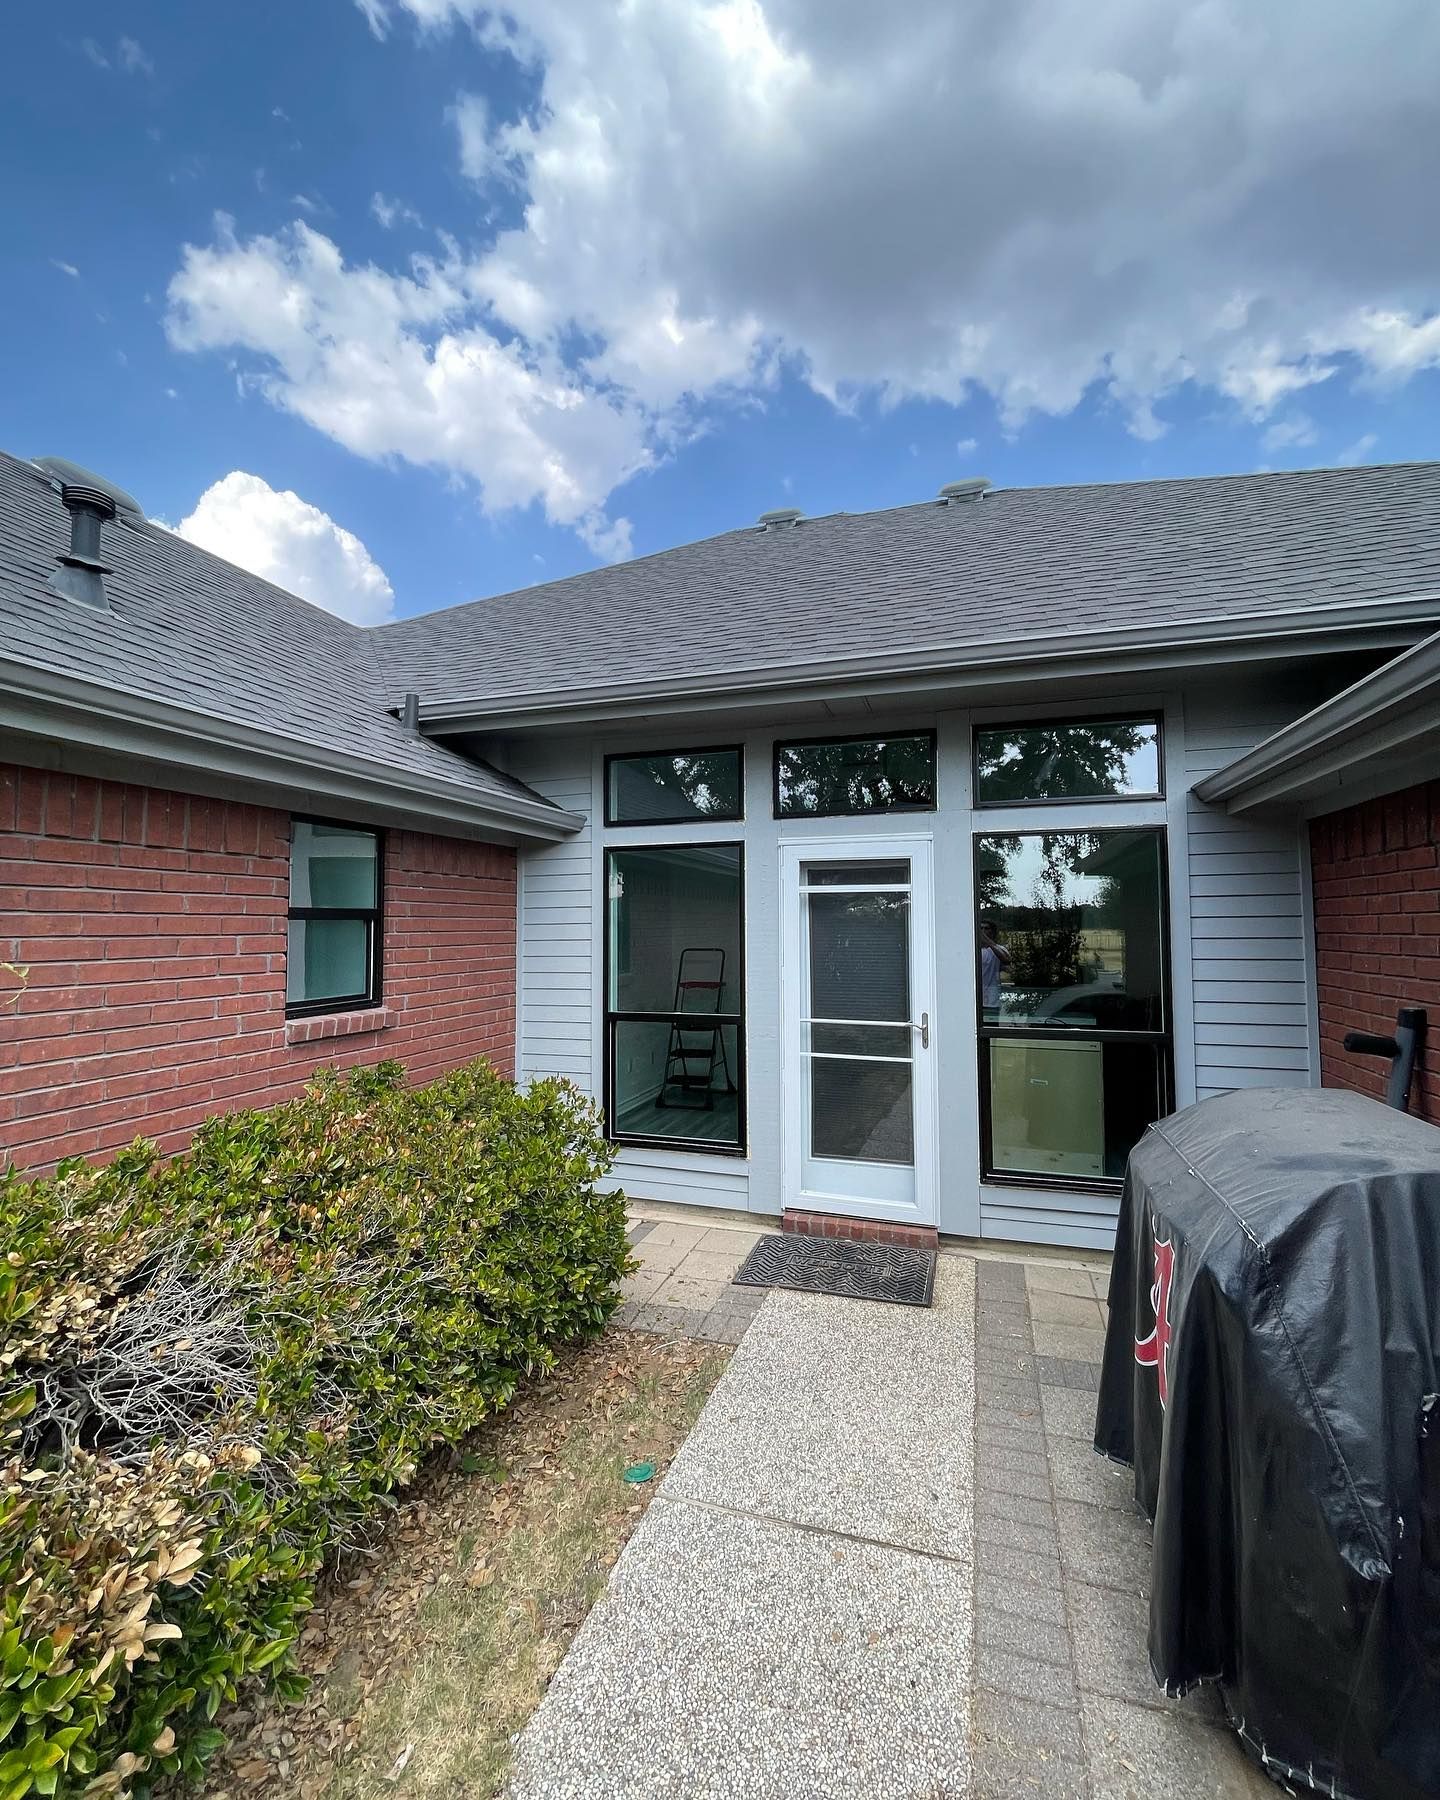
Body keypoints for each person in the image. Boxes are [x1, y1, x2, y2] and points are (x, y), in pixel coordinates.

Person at [978, 918, 1011, 1013]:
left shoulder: (998, 949)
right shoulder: (972, 951)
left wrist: (986, 940)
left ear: (992, 932)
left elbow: (1007, 960)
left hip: (991, 1001)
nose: (982, 931)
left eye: (986, 928)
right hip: (974, 1000)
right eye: (980, 928)